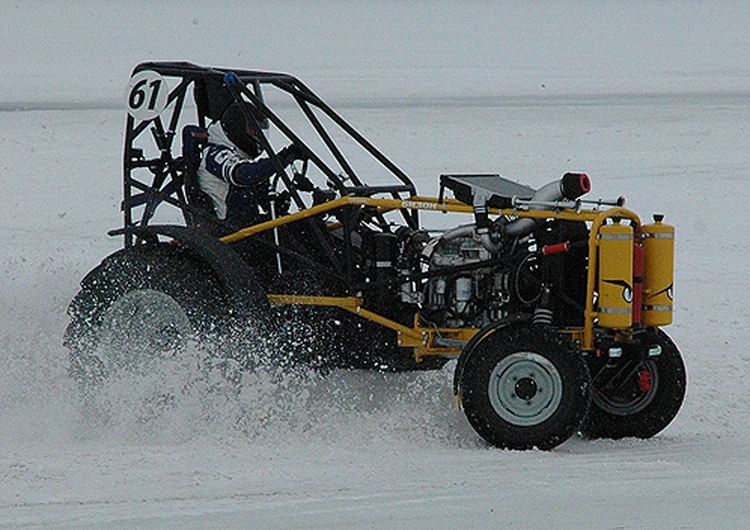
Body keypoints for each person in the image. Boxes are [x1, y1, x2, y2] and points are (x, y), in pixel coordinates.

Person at [194, 103, 304, 227]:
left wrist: (277, 203)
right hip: (229, 230)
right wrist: (281, 158)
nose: (258, 137)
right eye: (253, 132)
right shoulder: (216, 154)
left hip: (248, 225)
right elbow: (244, 175)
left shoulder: (240, 158)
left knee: (303, 226)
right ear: (237, 128)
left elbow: (260, 194)